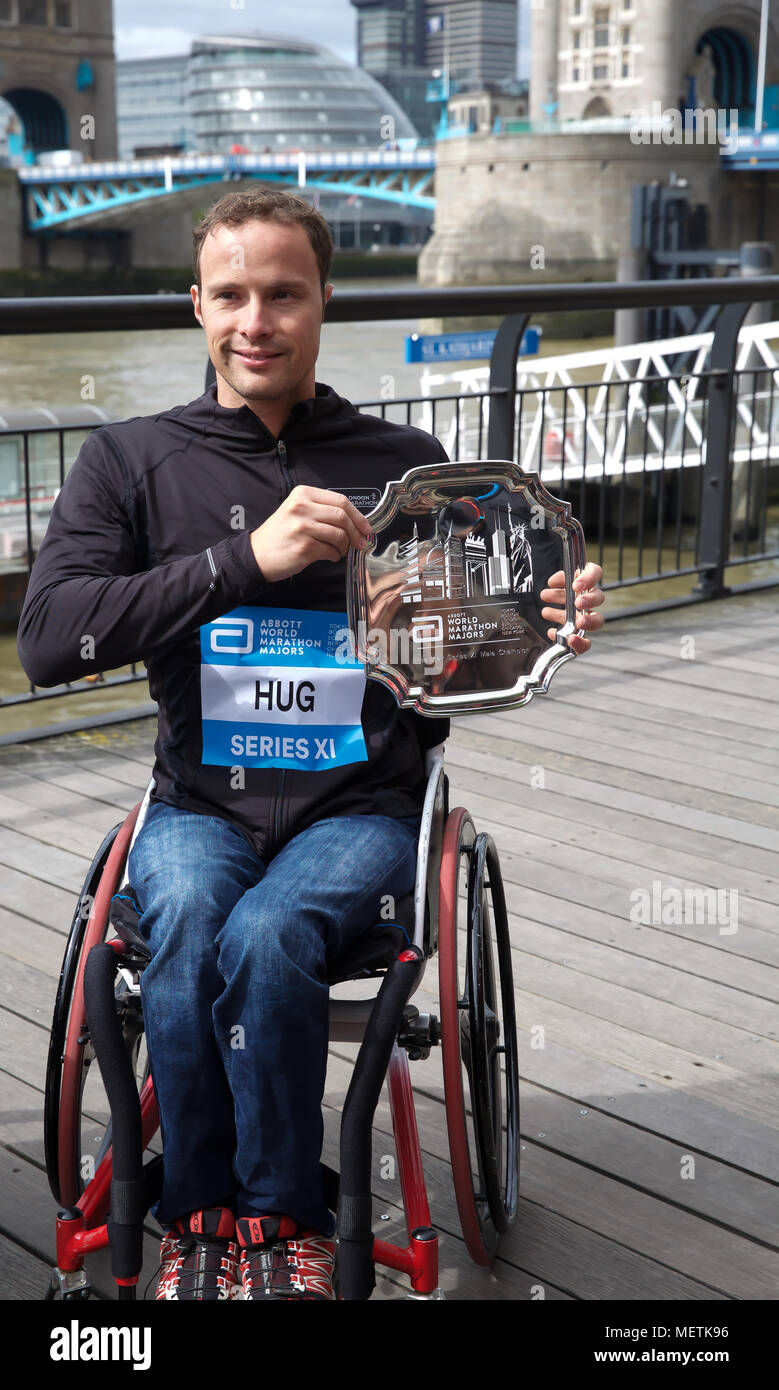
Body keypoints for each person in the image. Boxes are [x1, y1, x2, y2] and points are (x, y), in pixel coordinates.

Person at [16, 188, 605, 1300]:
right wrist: (247, 563)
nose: (256, 320)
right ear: (195, 305)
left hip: (360, 806)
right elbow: (50, 641)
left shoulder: (402, 460)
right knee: (190, 916)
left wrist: (540, 618)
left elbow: (451, 671)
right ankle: (199, 1213)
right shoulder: (131, 460)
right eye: (230, 294)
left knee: (271, 931)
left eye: (282, 294)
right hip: (198, 802)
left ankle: (280, 1216)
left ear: (324, 300)